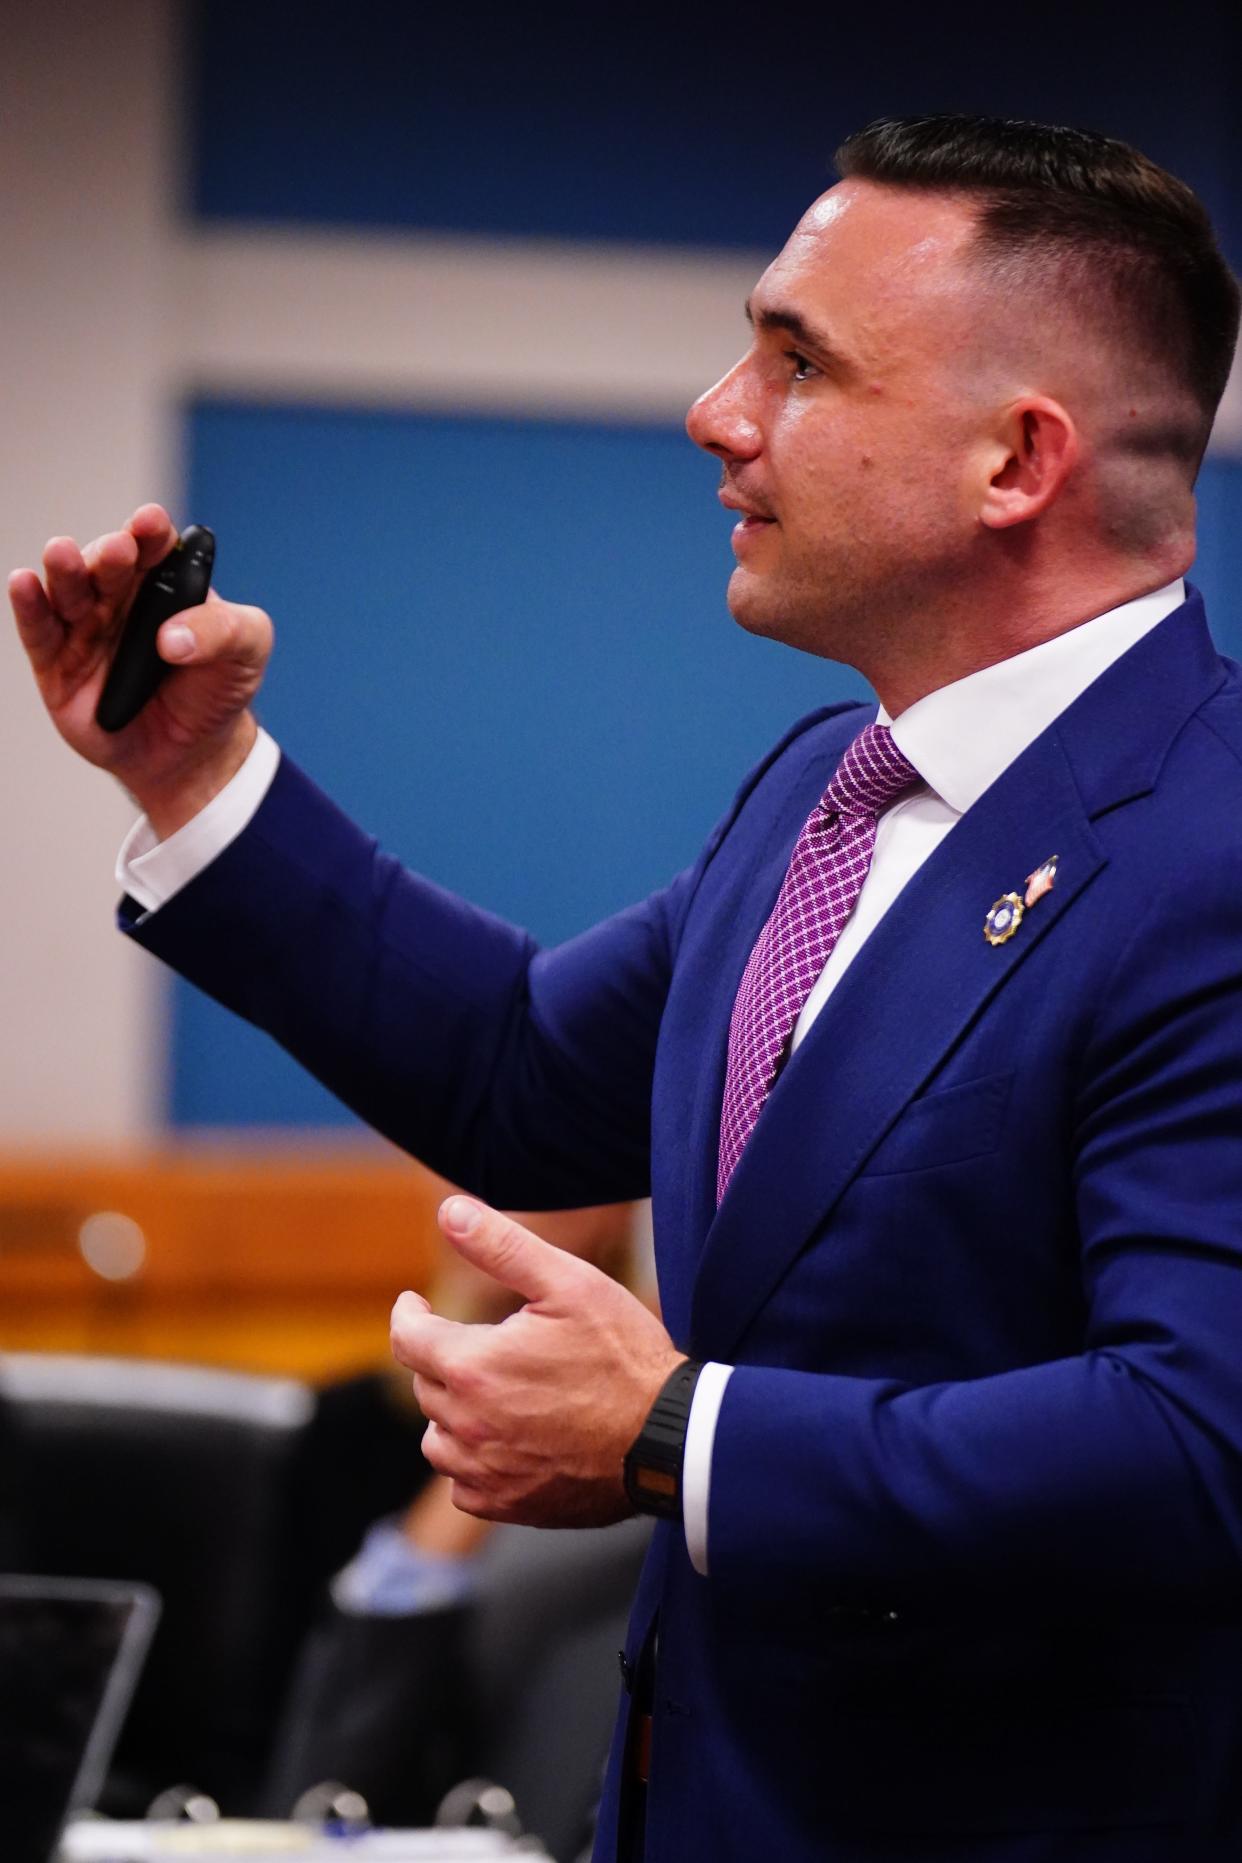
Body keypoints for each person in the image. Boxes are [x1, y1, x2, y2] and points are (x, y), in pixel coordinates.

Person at [10, 112, 1242, 1861]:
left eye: (795, 361)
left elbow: (1199, 1439)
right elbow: (517, 1069)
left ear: (1013, 462)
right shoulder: (829, 790)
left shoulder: (1209, 848)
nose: (717, 413)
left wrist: (680, 1434)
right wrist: (195, 783)